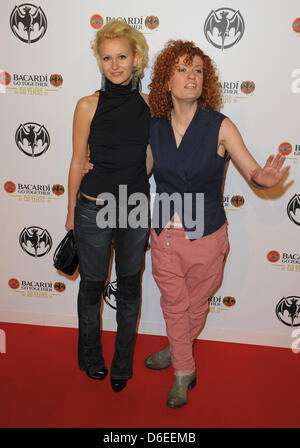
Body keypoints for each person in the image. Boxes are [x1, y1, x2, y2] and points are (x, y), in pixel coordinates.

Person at [143, 40, 290, 408]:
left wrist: (263, 179)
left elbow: (253, 169)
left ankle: (176, 351)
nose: (191, 76)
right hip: (163, 233)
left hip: (207, 235)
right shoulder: (154, 126)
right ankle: (183, 371)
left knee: (194, 306)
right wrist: (101, 173)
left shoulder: (220, 127)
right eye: (182, 69)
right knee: (174, 306)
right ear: (165, 80)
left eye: (198, 71)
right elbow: (141, 171)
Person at [65, 20, 150, 392]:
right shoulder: (86, 105)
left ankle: (121, 365)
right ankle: (91, 358)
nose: (114, 65)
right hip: (93, 207)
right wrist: (70, 212)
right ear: (99, 62)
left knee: (130, 289)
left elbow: (148, 157)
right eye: (106, 58)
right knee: (91, 288)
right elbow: (75, 159)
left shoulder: (150, 106)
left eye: (122, 57)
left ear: (136, 60)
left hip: (134, 209)